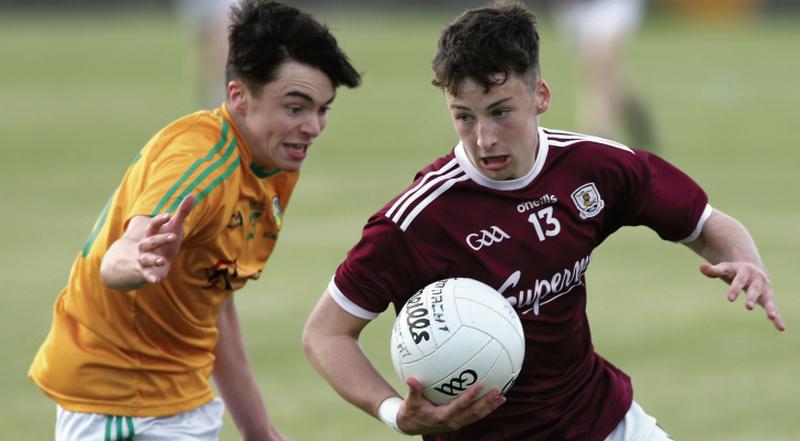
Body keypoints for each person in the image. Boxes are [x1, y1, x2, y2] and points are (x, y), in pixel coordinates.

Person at [302, 1, 783, 440]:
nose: (485, 137)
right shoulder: (418, 220)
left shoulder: (595, 166)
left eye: (501, 111)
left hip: (603, 421)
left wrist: (746, 261)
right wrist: (392, 411)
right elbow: (325, 333)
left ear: (541, 96)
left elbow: (704, 223)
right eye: (464, 116)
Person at [29, 1, 360, 440]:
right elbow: (119, 258)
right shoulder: (199, 164)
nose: (314, 126)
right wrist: (138, 260)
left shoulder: (271, 163)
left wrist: (258, 429)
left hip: (183, 397)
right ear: (239, 96)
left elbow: (214, 298)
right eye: (296, 108)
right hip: (121, 404)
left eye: (323, 109)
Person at [551, 0, 657, 150]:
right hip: (575, 8)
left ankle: (598, 135)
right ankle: (634, 111)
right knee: (601, 70)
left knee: (599, 64)